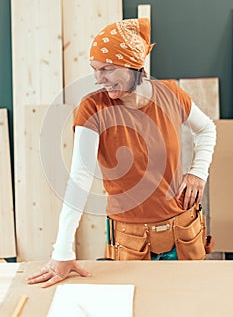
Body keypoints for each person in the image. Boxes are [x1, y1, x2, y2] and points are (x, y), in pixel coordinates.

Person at [27, 18, 216, 288]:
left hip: (183, 231)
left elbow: (207, 129)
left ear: (134, 66)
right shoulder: (93, 108)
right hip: (131, 238)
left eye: (108, 69)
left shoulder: (171, 94)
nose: (98, 79)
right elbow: (79, 179)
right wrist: (63, 251)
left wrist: (198, 173)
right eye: (94, 69)